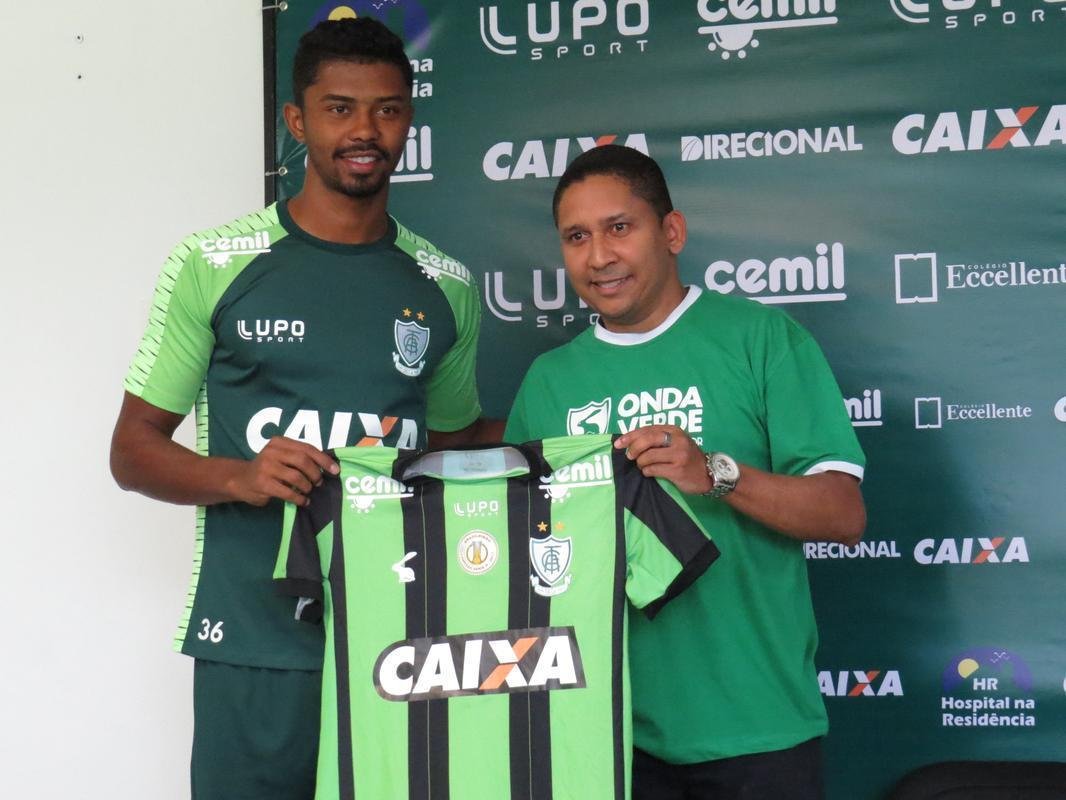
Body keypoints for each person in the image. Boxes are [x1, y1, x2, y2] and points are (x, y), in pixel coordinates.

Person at [110, 18, 495, 800]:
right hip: (253, 640)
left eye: (386, 110)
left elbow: (452, 459)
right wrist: (242, 477)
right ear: (298, 121)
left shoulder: (445, 284)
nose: (365, 131)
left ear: (409, 119)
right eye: (340, 108)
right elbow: (132, 451)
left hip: (403, 641)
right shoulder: (213, 265)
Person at [504, 144, 866, 800]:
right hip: (605, 735)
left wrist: (717, 473)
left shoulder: (762, 340)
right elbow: (518, 553)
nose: (599, 256)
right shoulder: (549, 382)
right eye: (576, 237)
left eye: (620, 227)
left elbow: (842, 514)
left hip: (758, 730)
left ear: (671, 231)